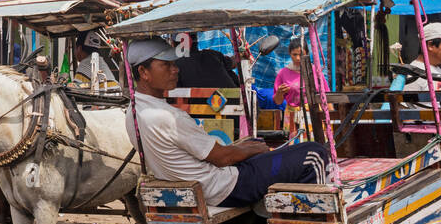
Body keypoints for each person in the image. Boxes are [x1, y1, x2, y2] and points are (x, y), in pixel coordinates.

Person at [125, 38, 328, 208]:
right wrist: (253, 149)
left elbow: (207, 154)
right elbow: (222, 158)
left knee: (265, 153)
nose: (175, 70)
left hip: (205, 182)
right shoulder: (167, 116)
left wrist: (243, 148)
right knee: (314, 152)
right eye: (166, 65)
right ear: (143, 72)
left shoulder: (133, 111)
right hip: (223, 187)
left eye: (174, 64)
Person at [173, 31, 237, 89]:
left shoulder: (175, 66)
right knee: (226, 69)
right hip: (230, 99)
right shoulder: (211, 55)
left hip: (197, 100)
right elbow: (233, 63)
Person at [272, 39, 306, 108]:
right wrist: (279, 93)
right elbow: (278, 102)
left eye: (301, 54)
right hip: (292, 115)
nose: (298, 58)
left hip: (314, 114)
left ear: (307, 54)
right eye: (294, 54)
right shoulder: (283, 73)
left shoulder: (315, 71)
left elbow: (325, 95)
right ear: (290, 54)